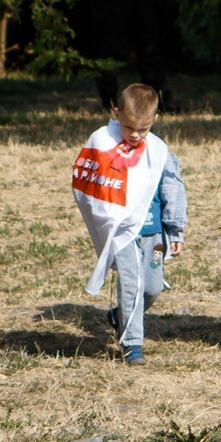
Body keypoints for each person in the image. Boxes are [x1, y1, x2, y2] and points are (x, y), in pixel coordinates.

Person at [70, 83, 186, 365]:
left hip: (155, 234)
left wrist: (175, 229)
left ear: (154, 120)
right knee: (131, 283)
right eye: (128, 127)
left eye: (143, 129)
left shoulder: (159, 152)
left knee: (152, 287)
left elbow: (173, 190)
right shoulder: (103, 143)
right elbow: (89, 183)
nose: (134, 134)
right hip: (124, 233)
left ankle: (121, 314)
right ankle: (132, 344)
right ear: (116, 113)